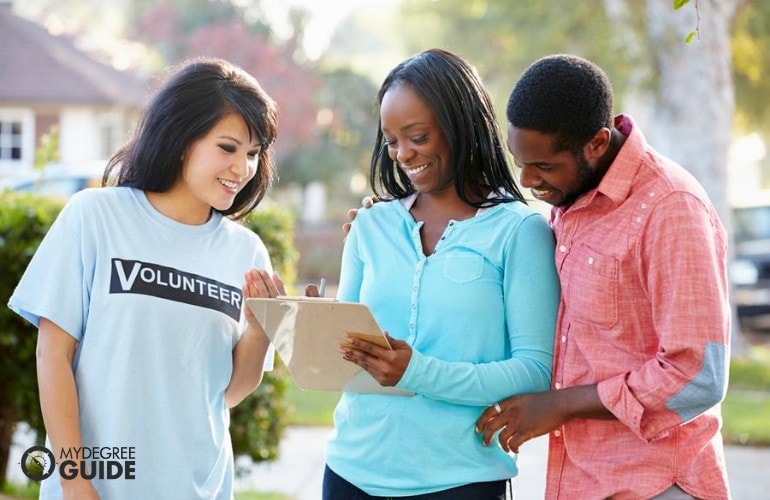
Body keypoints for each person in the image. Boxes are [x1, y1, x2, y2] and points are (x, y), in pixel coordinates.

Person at [8, 57, 285, 500]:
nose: (243, 168)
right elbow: (53, 356)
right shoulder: (94, 216)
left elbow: (226, 394)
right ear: (181, 137)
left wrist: (259, 331)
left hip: (199, 487)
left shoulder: (245, 252)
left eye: (253, 154)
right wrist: (74, 480)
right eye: (228, 148)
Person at [474, 54, 731, 499]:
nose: (528, 180)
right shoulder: (570, 197)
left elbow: (697, 375)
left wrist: (560, 405)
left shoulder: (670, 207)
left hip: (655, 483)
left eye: (544, 167)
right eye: (521, 161)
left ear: (596, 143)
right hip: (583, 480)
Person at [326, 48, 560, 499]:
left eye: (417, 136)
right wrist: (306, 324)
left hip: (461, 479)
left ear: (460, 126)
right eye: (392, 140)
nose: (402, 154)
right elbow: (346, 357)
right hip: (350, 473)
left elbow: (534, 370)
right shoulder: (370, 225)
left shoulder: (520, 231)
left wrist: (417, 372)